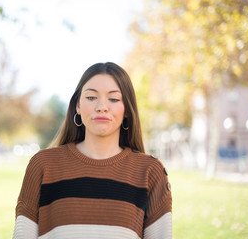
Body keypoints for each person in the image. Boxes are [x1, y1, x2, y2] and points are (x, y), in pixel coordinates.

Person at [12, 62, 172, 239]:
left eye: (113, 99)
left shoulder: (151, 171)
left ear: (126, 109)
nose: (102, 106)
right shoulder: (43, 164)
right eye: (91, 97)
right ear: (77, 106)